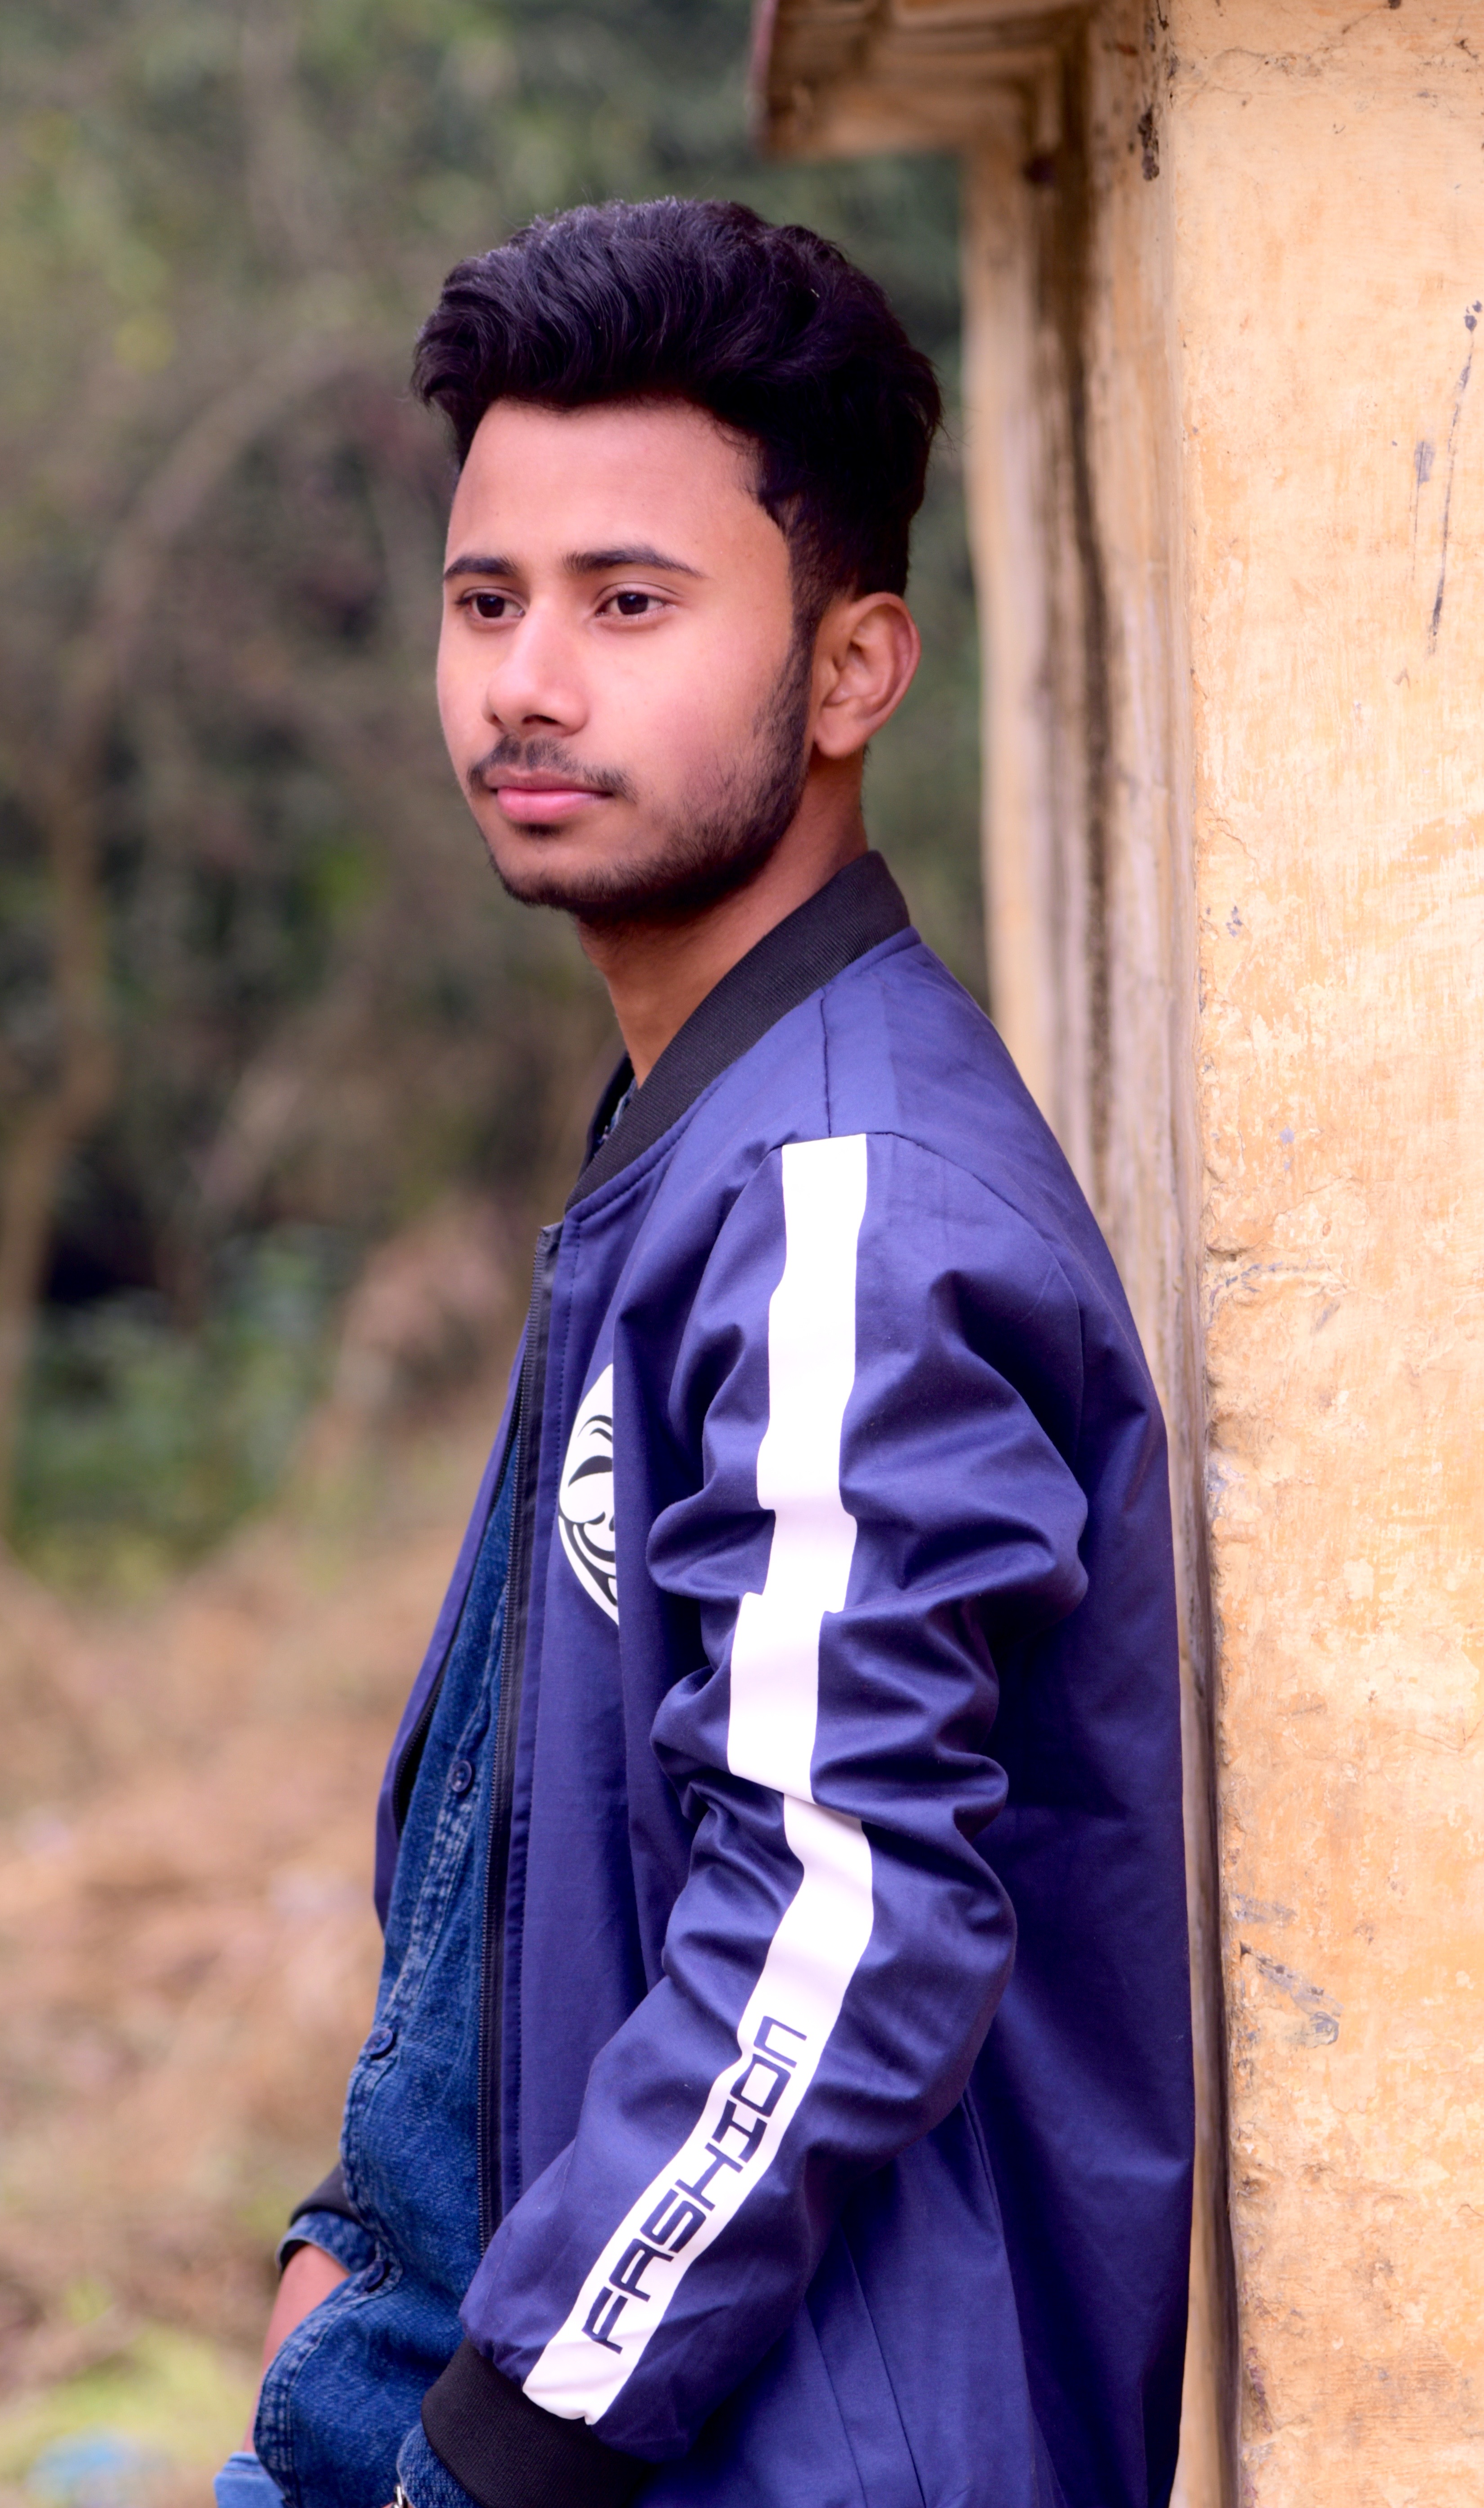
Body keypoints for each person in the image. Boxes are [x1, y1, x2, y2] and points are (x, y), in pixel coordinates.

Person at [215, 196, 1193, 2508]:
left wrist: (508, 2428)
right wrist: (361, 2253)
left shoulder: (846, 1197)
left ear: (853, 670)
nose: (527, 685)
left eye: (629, 603)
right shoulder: (703, 1137)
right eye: (486, 602)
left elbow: (838, 1909)